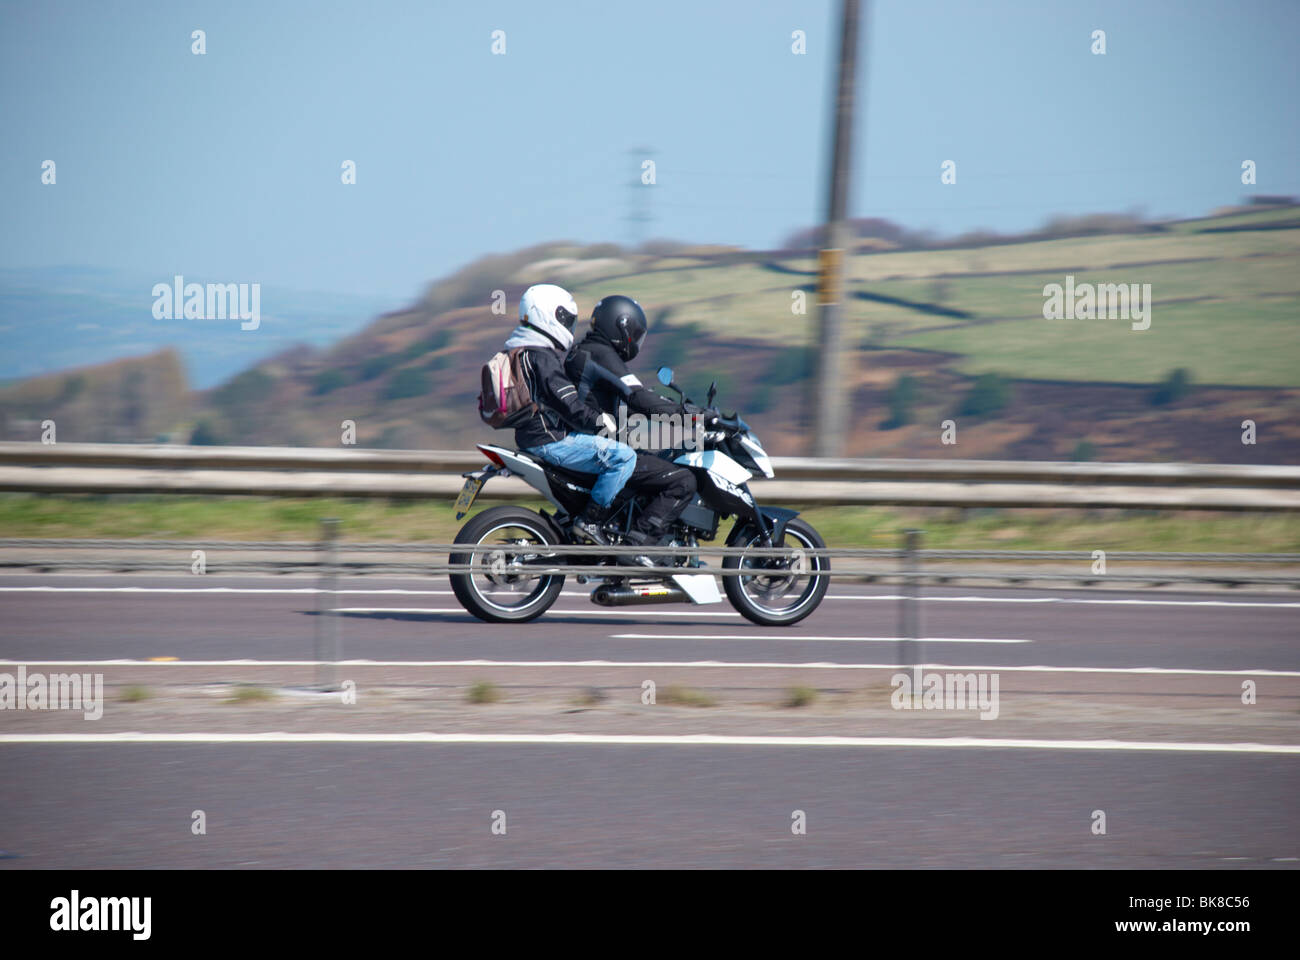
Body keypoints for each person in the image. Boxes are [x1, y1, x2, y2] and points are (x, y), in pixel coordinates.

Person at [566, 294, 699, 567]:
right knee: (682, 480)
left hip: (583, 443)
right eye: (635, 333)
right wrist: (691, 416)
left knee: (650, 460)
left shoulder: (587, 351)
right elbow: (638, 397)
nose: (635, 340)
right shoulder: (602, 354)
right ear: (622, 326)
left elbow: (631, 401)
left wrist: (669, 411)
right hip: (594, 448)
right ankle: (636, 546)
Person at [505, 284, 636, 547]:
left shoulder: (519, 351)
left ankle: (570, 521)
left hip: (532, 437)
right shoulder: (542, 356)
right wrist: (602, 422)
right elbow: (569, 405)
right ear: (547, 314)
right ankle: (590, 522)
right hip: (551, 439)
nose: (568, 325)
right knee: (624, 457)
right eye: (565, 318)